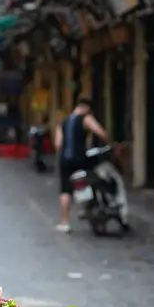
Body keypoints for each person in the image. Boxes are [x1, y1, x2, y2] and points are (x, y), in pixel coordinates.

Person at [54, 97, 111, 233]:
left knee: (65, 190)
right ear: (86, 108)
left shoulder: (63, 122)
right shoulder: (86, 119)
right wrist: (110, 143)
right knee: (93, 178)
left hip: (64, 160)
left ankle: (65, 223)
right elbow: (101, 132)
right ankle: (89, 206)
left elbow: (58, 144)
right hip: (80, 158)